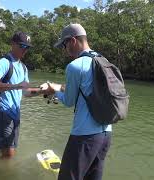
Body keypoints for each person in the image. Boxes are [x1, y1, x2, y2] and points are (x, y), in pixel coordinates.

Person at [42, 24, 112, 180]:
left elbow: (68, 101)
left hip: (84, 136)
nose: (65, 50)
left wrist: (53, 90)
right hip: (106, 133)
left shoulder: (74, 66)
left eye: (64, 45)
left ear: (72, 41)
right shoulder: (102, 60)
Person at [0, 31, 44, 159]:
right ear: (13, 44)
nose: (25, 50)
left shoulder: (24, 68)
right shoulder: (4, 62)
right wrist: (15, 86)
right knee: (9, 154)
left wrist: (43, 91)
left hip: (15, 113)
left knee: (8, 152)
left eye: (27, 47)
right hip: (3, 112)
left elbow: (26, 92)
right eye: (22, 46)